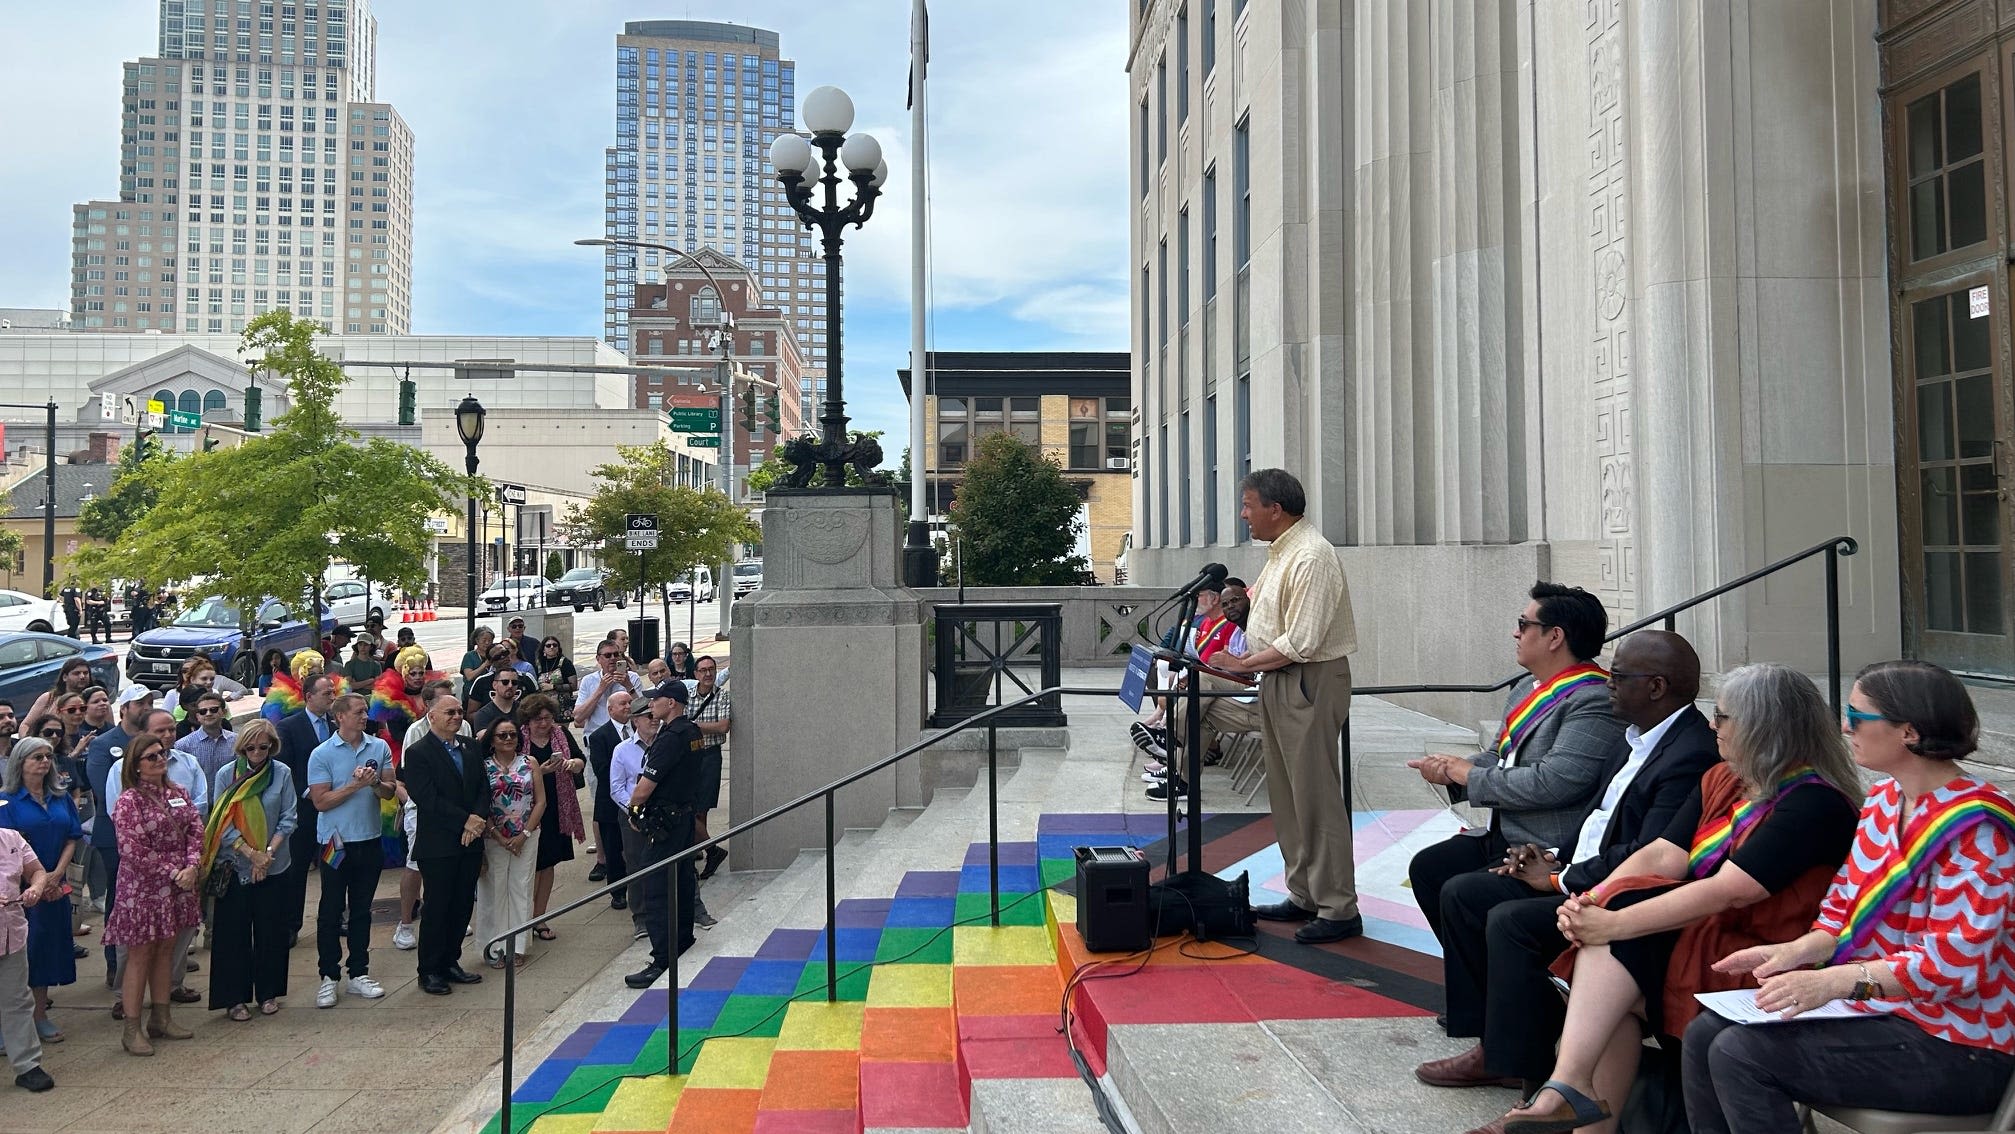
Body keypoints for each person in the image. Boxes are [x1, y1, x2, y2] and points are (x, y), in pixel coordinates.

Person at [1496, 663, 1863, 1134]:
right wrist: (1593, 900)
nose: (1713, 726)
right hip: (1708, 935)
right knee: (1614, 979)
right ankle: (1571, 1094)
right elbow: (1665, 854)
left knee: (1616, 948)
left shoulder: (1814, 803)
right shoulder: (1724, 779)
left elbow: (1729, 891)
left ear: (1761, 726)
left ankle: (1568, 1089)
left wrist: (1612, 923)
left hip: (1766, 953)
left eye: (1724, 717)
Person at [1681, 661, 2015, 1134]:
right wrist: (1795, 952)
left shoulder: (1979, 829)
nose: (1843, 727)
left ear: (1909, 732)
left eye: (1858, 718)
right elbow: (1840, 912)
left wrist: (1832, 982)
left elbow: (1953, 965)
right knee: (1704, 1033)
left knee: (1742, 1054)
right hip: (1884, 1012)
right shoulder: (1882, 802)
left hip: (1962, 1041)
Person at [1414, 630, 1720, 1097]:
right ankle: (1495, 1044)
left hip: (1621, 893)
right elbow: (1596, 816)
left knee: (1508, 920)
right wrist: (1553, 856)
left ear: (1656, 687)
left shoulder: (1691, 751)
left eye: (1619, 676)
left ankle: (1533, 1084)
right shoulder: (1632, 734)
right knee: (1462, 891)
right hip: (1578, 868)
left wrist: (1559, 878)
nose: (1608, 683)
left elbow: (1649, 850)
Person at [1407, 582, 1624, 946]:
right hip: (1507, 834)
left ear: (1554, 637)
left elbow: (1553, 782)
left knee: (1463, 893)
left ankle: (1492, 986)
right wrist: (1451, 768)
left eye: (1523, 624)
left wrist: (1470, 774)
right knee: (1429, 867)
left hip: (1547, 849)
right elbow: (1499, 755)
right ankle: (1478, 978)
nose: (1515, 632)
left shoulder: (1593, 700)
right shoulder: (1528, 687)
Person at [1218, 469, 1361, 945]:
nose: (1243, 515)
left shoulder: (1312, 554)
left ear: (1274, 509)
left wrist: (1241, 663)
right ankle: (1303, 893)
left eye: (1247, 504)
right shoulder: (1281, 552)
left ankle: (1338, 906)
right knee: (1286, 795)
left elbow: (1301, 640)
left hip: (1307, 679)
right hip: (1278, 679)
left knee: (1315, 796)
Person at [103, 732, 202, 1056]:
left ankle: (161, 1017)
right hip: (142, 889)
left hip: (179, 886)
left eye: (161, 754)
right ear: (136, 765)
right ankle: (131, 1028)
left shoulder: (178, 792)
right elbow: (131, 849)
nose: (161, 759)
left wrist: (191, 866)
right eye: (152, 757)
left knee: (167, 950)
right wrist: (174, 871)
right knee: (140, 955)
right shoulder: (129, 801)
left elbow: (195, 831)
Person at [201, 720, 296, 1021]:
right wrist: (251, 854)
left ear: (272, 747)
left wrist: (266, 855)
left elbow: (289, 817)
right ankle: (234, 998)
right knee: (233, 935)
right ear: (241, 748)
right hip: (235, 864)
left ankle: (268, 993)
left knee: (271, 932)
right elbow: (221, 821)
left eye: (263, 747)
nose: (257, 752)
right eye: (250, 747)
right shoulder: (226, 775)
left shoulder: (282, 773)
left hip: (274, 863)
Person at [304, 693, 393, 1008]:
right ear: (340, 716)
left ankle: (359, 972)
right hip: (334, 842)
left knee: (361, 909)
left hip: (368, 838)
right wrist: (354, 786)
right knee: (330, 909)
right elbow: (321, 801)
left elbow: (389, 789)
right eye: (358, 712)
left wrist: (373, 785)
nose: (364, 716)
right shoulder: (322, 753)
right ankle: (329, 975)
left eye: (366, 711)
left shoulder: (378, 747)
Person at [403, 692, 489, 996]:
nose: (456, 717)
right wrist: (465, 820)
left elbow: (482, 786)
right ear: (432, 716)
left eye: (459, 712)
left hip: (470, 840)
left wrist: (477, 819)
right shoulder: (418, 753)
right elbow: (426, 798)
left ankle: (451, 960)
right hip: (438, 843)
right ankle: (429, 969)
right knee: (438, 907)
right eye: (449, 712)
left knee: (462, 904)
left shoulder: (470, 747)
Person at [0, 738, 82, 1048]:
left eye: (48, 756)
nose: (45, 762)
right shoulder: (7, 802)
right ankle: (8, 1023)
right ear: (21, 762)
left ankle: (39, 1015)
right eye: (37, 757)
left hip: (54, 885)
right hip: (20, 891)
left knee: (48, 950)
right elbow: (7, 851)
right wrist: (35, 880)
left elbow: (73, 837)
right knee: (22, 954)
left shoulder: (59, 798)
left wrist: (56, 874)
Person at [625, 681, 705, 988]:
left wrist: (633, 809)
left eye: (655, 699)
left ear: (670, 703)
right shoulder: (693, 732)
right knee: (683, 879)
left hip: (665, 823)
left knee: (657, 887)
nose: (651, 704)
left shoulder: (671, 738)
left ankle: (661, 958)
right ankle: (683, 941)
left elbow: (645, 787)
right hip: (683, 818)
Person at [1142, 579, 1256, 789]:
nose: (1230, 607)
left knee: (1202, 681)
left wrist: (1234, 663)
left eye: (1236, 601)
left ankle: (1169, 736)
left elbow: (1256, 665)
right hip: (1241, 691)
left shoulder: (1258, 630)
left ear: (1249, 601)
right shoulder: (1239, 630)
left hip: (1262, 696)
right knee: (1198, 708)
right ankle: (1182, 779)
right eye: (1226, 604)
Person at [84, 684, 153, 996]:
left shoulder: (153, 742)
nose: (146, 707)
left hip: (153, 835)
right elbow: (103, 789)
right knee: (118, 896)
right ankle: (115, 959)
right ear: (124, 708)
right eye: (140, 703)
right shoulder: (104, 744)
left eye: (150, 702)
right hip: (114, 834)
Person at [385, 667, 451, 952]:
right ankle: (405, 923)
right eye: (445, 705)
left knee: (445, 866)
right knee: (415, 866)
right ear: (429, 708)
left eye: (455, 704)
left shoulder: (464, 727)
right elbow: (413, 776)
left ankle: (441, 915)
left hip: (452, 809)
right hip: (421, 808)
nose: (454, 712)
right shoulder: (416, 731)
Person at [474, 717, 544, 968]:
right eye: (502, 735)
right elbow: (481, 803)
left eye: (512, 735)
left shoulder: (529, 763)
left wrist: (524, 834)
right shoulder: (483, 767)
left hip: (526, 835)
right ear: (492, 740)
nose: (508, 739)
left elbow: (540, 801)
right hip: (494, 837)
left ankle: (518, 945)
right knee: (493, 890)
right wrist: (498, 835)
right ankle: (493, 946)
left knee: (521, 888)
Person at [274, 672, 337, 946]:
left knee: (333, 864)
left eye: (333, 693)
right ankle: (290, 925)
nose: (332, 698)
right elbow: (286, 767)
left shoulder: (337, 724)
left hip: (333, 811)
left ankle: (335, 917)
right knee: (297, 869)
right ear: (309, 697)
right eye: (327, 693)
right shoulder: (289, 727)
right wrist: (310, 792)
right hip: (304, 811)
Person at [518, 694, 586, 939]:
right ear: (528, 720)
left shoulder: (561, 735)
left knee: (548, 864)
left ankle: (540, 917)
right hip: (529, 807)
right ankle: (523, 918)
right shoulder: (518, 737)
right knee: (532, 865)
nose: (543, 723)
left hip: (558, 805)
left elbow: (581, 760)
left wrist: (571, 764)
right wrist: (540, 771)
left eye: (547, 718)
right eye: (537, 719)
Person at [0, 822, 55, 1090]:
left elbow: (38, 871)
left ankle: (27, 1066)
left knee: (18, 1000)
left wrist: (36, 887)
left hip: (11, 934)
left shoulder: (11, 838)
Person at [607, 706, 656, 941]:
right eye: (648, 716)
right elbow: (616, 788)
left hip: (661, 812)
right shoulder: (622, 750)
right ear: (636, 721)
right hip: (632, 816)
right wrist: (635, 810)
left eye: (655, 714)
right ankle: (641, 918)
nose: (654, 719)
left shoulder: (664, 744)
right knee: (636, 865)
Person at [586, 689, 636, 900]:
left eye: (629, 703)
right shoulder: (599, 736)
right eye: (622, 704)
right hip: (610, 802)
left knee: (634, 849)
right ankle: (617, 893)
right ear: (610, 709)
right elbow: (602, 770)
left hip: (637, 799)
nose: (627, 707)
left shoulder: (638, 729)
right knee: (614, 850)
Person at [688, 655, 731, 887]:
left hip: (710, 755)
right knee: (690, 806)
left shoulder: (722, 695)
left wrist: (693, 727)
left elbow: (723, 726)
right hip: (689, 756)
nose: (707, 674)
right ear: (695, 674)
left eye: (711, 670)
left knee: (701, 808)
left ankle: (704, 849)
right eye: (703, 670)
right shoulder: (688, 695)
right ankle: (706, 848)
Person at [173, 691, 237, 801]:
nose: (208, 714)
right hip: (199, 807)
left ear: (224, 712)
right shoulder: (182, 745)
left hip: (229, 804)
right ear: (197, 716)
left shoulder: (237, 741)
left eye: (213, 709)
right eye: (203, 711)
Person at [574, 638, 645, 736]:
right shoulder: (588, 680)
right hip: (597, 734)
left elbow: (642, 711)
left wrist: (628, 686)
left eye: (616, 654)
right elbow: (578, 717)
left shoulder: (632, 678)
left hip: (626, 734)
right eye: (608, 655)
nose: (612, 658)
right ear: (598, 659)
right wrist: (600, 690)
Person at [19, 658, 93, 739]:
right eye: (76, 673)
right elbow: (25, 725)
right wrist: (28, 744)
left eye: (85, 673)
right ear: (64, 677)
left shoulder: (95, 699)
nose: (82, 676)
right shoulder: (49, 698)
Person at [470, 669, 523, 735]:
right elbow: (484, 740)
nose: (510, 686)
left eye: (514, 682)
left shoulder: (523, 710)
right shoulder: (483, 714)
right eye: (505, 682)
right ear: (494, 685)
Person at [534, 636, 577, 712]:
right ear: (543, 649)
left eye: (555, 645)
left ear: (558, 648)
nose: (552, 647)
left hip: (562, 706)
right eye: (548, 645)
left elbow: (574, 686)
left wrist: (553, 687)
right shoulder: (539, 664)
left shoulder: (565, 663)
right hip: (544, 706)